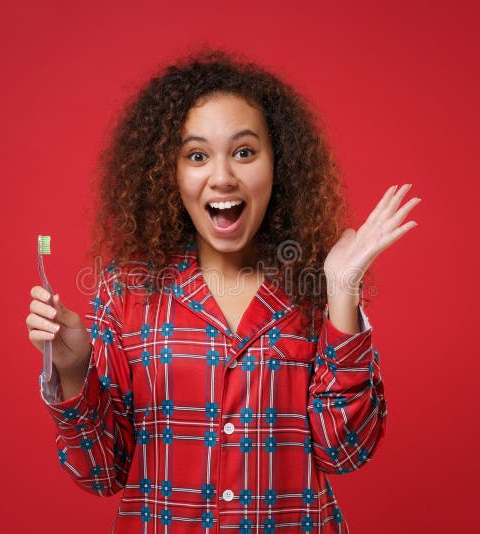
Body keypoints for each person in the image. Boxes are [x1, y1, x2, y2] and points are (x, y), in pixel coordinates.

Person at [25, 48, 420, 533]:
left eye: (244, 151)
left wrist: (343, 294)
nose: (222, 177)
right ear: (169, 172)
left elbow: (345, 451)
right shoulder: (125, 292)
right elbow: (101, 473)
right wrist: (71, 371)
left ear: (280, 165)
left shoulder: (316, 290)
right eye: (196, 156)